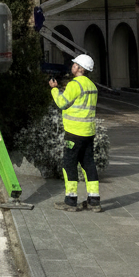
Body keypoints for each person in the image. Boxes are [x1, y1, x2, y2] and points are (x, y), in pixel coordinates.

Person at [49, 53, 102, 212]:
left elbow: (62, 103)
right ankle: (94, 201)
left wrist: (54, 90)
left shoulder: (74, 85)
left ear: (79, 68)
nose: (72, 66)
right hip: (88, 132)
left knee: (69, 164)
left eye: (74, 64)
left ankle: (70, 201)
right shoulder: (92, 86)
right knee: (88, 164)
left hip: (73, 132)